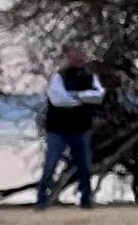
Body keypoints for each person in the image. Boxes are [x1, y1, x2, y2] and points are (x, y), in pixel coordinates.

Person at [37, 45, 106, 208]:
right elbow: (58, 99)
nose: (80, 58)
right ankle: (42, 198)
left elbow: (98, 95)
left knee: (85, 166)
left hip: (80, 129)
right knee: (51, 165)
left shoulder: (90, 77)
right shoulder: (59, 77)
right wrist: (81, 99)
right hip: (57, 129)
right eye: (76, 56)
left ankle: (86, 199)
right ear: (69, 57)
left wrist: (77, 96)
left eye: (82, 55)